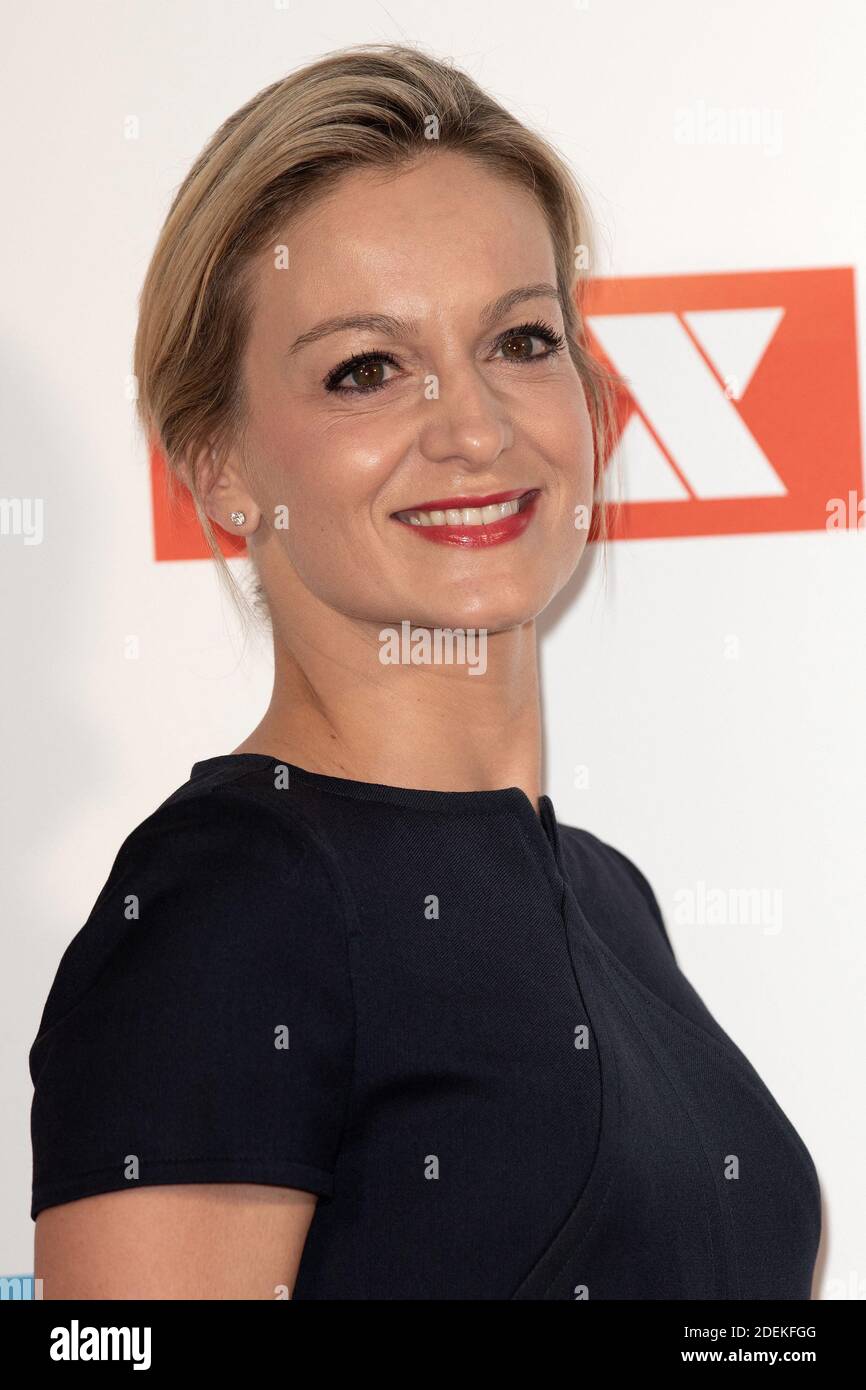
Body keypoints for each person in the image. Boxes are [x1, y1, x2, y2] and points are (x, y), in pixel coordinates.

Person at [29, 41, 821, 1300]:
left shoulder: (610, 900)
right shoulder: (226, 908)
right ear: (218, 465)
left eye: (518, 340)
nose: (472, 428)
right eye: (365, 369)